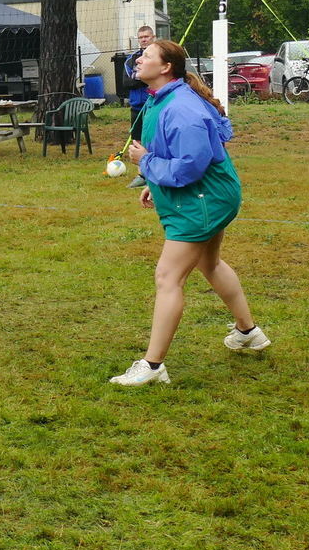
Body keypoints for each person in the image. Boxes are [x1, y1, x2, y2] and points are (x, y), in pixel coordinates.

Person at [112, 40, 269, 386]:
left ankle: (153, 366)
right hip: (208, 195)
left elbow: (190, 166)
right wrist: (154, 183)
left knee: (168, 278)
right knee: (209, 263)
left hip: (203, 199)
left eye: (146, 56)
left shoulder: (182, 109)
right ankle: (248, 332)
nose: (138, 60)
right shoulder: (160, 99)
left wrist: (146, 163)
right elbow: (176, 153)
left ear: (166, 67)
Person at [123, 25, 156, 188]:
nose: (144, 40)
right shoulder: (131, 60)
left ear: (153, 37)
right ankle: (141, 175)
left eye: (146, 37)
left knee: (155, 138)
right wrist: (144, 77)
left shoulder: (160, 55)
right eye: (141, 37)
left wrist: (139, 76)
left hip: (155, 105)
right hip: (137, 106)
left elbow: (157, 76)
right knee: (137, 139)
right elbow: (127, 82)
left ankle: (155, 172)